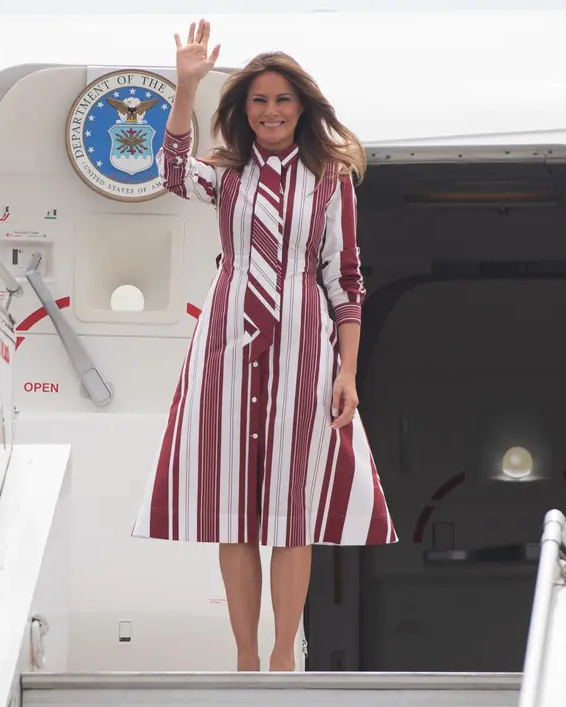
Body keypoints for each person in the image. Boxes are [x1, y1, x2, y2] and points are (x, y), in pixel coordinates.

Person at [131, 19, 398, 673]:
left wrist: (348, 372)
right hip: (226, 346)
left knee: (290, 507)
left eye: (281, 99)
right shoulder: (227, 176)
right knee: (234, 512)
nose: (271, 110)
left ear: (301, 107)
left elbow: (346, 278)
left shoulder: (330, 179)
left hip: (304, 350)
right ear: (243, 111)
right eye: (258, 100)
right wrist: (186, 85)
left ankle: (283, 657)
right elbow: (168, 170)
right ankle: (246, 658)